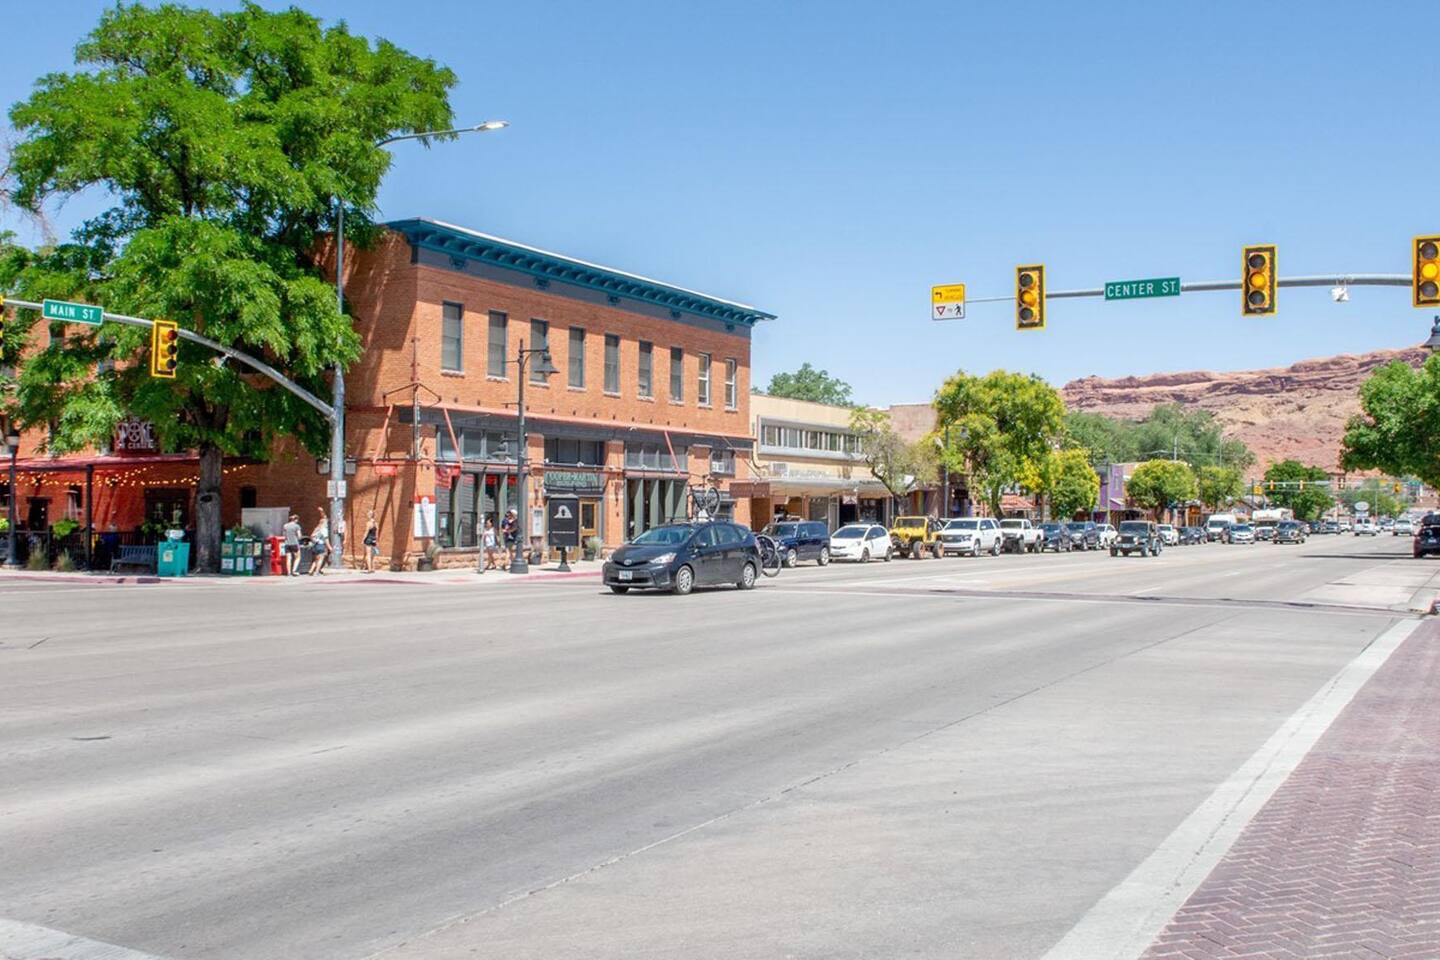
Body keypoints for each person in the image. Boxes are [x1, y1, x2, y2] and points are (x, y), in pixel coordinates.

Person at [309, 509, 329, 576]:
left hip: (314, 545)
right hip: (320, 545)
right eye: (326, 522)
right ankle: (317, 572)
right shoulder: (324, 529)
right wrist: (330, 547)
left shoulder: (316, 529)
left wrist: (322, 511)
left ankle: (311, 570)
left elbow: (311, 536)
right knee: (320, 559)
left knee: (315, 559)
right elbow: (326, 539)